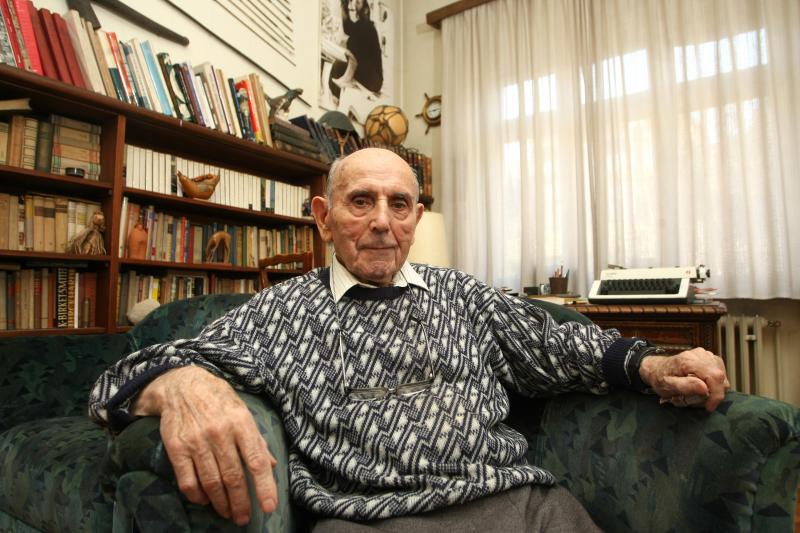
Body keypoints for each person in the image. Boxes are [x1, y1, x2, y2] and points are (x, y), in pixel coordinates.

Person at [89, 148, 729, 531]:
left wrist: (652, 363)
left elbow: (562, 345)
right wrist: (181, 383)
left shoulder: (462, 294)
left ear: (416, 218)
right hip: (368, 521)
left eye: (398, 205)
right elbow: (113, 383)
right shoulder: (281, 312)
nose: (381, 223)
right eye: (360, 202)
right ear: (323, 218)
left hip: (521, 506)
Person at [328, 0, 383, 103]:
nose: (354, 5)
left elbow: (348, 28)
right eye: (355, 2)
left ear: (366, 9)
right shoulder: (363, 26)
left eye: (358, 3)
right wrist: (344, 6)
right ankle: (335, 98)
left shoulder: (367, 26)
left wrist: (344, 5)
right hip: (372, 78)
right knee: (338, 65)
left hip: (372, 79)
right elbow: (349, 28)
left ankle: (335, 99)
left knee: (337, 65)